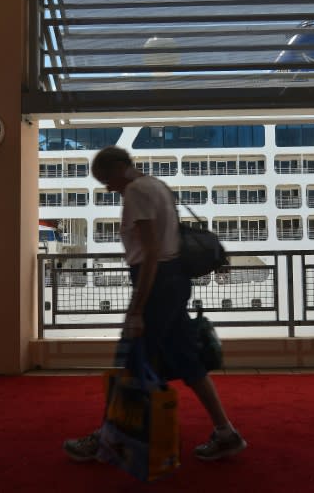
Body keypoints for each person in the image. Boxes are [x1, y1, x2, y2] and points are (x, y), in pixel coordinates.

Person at [63, 146, 246, 462]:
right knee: (188, 363)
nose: (108, 188)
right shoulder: (156, 185)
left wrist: (137, 309)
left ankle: (109, 439)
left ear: (119, 169)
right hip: (174, 280)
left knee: (137, 361)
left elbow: (149, 254)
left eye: (106, 179)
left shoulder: (136, 192)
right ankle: (226, 432)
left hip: (157, 284)